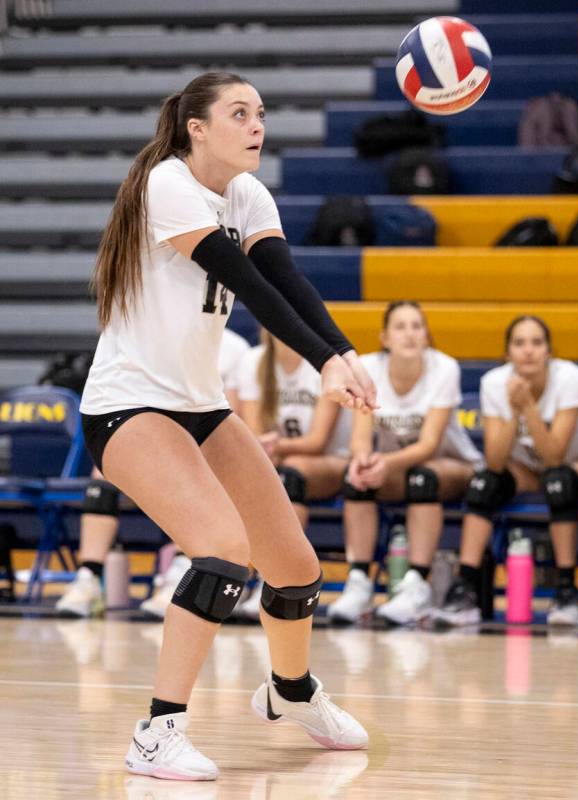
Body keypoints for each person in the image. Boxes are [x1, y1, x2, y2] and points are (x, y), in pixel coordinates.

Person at [79, 72, 375, 780]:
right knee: (220, 551)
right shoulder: (167, 184)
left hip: (199, 405)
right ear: (196, 128)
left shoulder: (248, 192)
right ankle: (157, 732)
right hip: (128, 404)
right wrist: (322, 360)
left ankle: (291, 692)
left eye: (262, 114)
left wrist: (342, 354)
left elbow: (287, 279)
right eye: (239, 113)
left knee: (296, 568)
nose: (257, 125)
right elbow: (245, 282)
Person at [433, 315, 578, 628]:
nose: (528, 351)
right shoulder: (495, 382)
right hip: (530, 470)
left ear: (549, 351)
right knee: (484, 483)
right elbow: (494, 460)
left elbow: (555, 455)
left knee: (560, 481)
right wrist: (514, 410)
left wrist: (528, 407)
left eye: (536, 342)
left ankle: (566, 588)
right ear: (508, 354)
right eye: (519, 343)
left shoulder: (569, 378)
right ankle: (465, 587)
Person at [56, 327, 251, 618]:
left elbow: (228, 419)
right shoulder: (150, 334)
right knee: (103, 479)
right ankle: (89, 576)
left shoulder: (234, 349)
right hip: (153, 442)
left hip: (201, 446)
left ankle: (183, 568)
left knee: (196, 472)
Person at [328, 301, 483, 626]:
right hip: (397, 466)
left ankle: (417, 585)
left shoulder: (444, 368)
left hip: (451, 464)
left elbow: (429, 445)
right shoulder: (367, 367)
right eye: (401, 327)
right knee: (356, 478)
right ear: (385, 337)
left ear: (426, 336)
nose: (410, 334)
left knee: (422, 478)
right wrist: (362, 460)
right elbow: (360, 435)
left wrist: (384, 462)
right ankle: (359, 582)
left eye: (417, 326)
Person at [235, 330, 352, 617]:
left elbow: (317, 441)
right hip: (275, 461)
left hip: (329, 463)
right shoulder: (254, 361)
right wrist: (266, 447)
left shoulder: (323, 364)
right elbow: (252, 433)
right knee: (240, 477)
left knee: (289, 475)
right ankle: (237, 576)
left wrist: (276, 445)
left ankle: (273, 577)